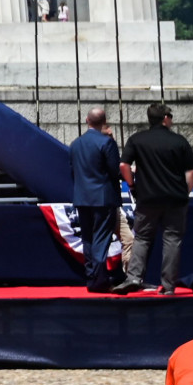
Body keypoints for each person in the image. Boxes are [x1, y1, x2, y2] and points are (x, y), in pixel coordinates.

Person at [123, 101, 193, 295]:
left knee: (142, 238)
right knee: (172, 240)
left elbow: (124, 165)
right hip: (175, 198)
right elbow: (190, 172)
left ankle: (133, 277)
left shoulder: (137, 139)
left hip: (147, 197)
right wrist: (185, 192)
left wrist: (132, 185)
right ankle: (168, 286)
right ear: (166, 118)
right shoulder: (179, 141)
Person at [67, 107, 124, 293]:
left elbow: (73, 170)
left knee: (88, 239)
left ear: (86, 120)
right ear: (104, 121)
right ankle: (99, 279)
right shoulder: (107, 142)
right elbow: (114, 171)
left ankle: (92, 276)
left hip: (82, 197)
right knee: (101, 238)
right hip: (103, 197)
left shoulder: (76, 144)